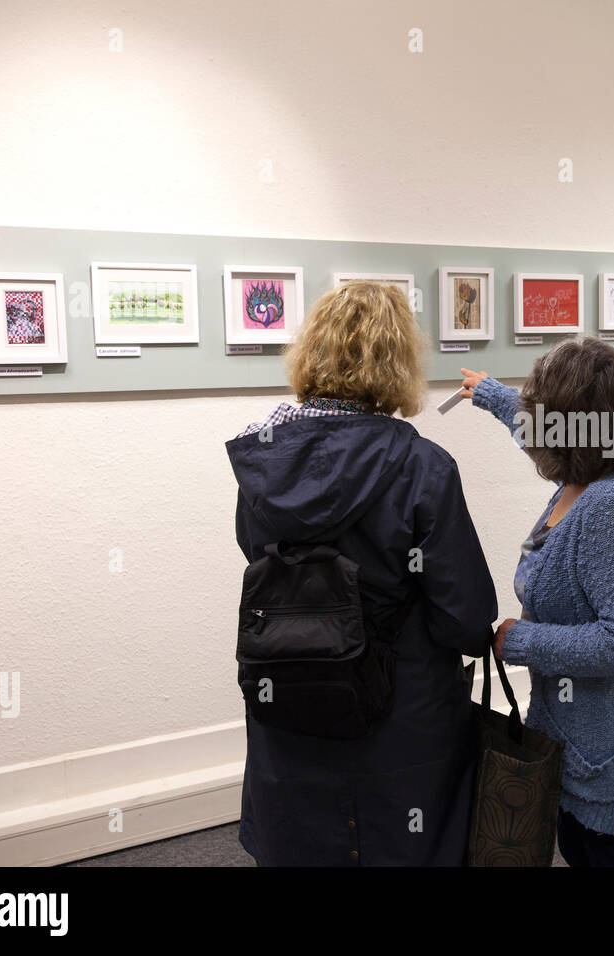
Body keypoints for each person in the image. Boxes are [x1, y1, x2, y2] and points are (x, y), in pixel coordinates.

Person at [225, 281, 497, 865]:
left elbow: (259, 558)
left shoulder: (262, 462)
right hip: (401, 707)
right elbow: (465, 616)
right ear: (399, 362)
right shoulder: (423, 467)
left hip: (290, 690)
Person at [460, 338, 614, 866]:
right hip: (590, 723)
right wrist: (492, 395)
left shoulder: (609, 508)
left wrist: (521, 641)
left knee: (610, 853)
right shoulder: (606, 472)